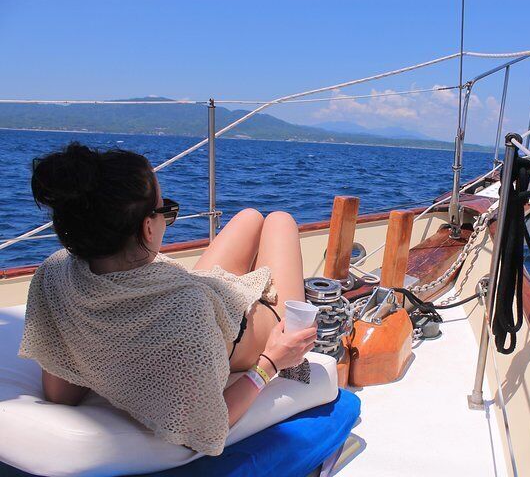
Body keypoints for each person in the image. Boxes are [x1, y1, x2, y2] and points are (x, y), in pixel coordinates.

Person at [18, 142, 317, 456]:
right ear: (148, 227)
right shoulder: (184, 310)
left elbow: (59, 392)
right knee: (279, 219)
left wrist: (97, 364)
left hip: (197, 297)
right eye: (165, 209)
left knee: (249, 217)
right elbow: (207, 430)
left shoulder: (53, 274)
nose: (167, 217)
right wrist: (270, 364)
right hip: (234, 330)